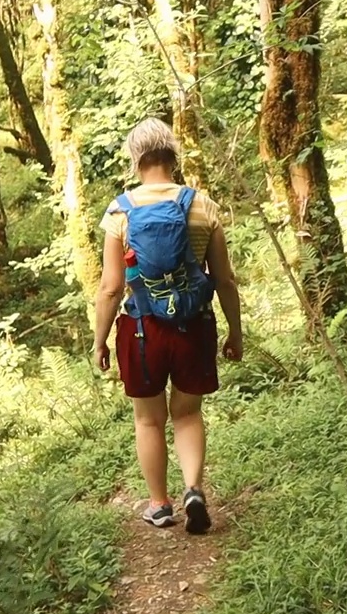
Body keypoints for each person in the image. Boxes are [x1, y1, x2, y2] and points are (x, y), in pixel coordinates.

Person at [93, 118, 243, 535]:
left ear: (135, 158)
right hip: (194, 325)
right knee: (188, 413)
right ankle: (193, 488)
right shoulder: (203, 206)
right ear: (173, 155)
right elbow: (224, 279)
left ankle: (159, 505)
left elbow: (109, 287)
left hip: (142, 330)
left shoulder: (119, 210)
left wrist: (100, 340)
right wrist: (235, 331)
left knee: (149, 420)